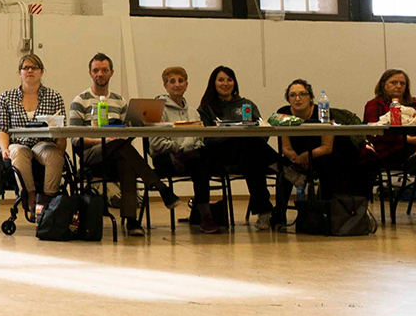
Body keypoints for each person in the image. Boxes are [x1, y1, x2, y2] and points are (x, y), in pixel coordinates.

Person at [68, 53, 177, 237]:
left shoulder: (120, 101)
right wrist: (103, 140)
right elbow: (75, 139)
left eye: (104, 70)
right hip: (91, 156)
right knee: (120, 146)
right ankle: (159, 187)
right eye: (96, 70)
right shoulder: (80, 101)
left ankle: (132, 221)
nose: (100, 74)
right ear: (90, 73)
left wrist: (132, 129)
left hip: (116, 154)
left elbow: (128, 132)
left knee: (125, 162)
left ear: (111, 73)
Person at [190, 66, 280, 232]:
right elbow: (205, 138)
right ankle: (282, 167)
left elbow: (263, 132)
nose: (226, 83)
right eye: (221, 80)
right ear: (213, 83)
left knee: (251, 156)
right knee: (245, 143)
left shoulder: (246, 104)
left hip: (246, 155)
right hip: (218, 155)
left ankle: (264, 212)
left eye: (229, 79)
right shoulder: (206, 108)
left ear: (235, 82)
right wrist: (232, 134)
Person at [361, 69, 416, 219]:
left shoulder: (415, 103)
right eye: (393, 82)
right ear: (383, 85)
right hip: (391, 150)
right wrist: (408, 139)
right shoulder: (375, 104)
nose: (398, 86)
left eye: (402, 83)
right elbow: (373, 133)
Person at [0, 54, 68, 213]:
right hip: (18, 142)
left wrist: (60, 150)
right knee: (19, 153)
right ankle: (30, 195)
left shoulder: (54, 96)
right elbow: (2, 129)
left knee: (54, 155)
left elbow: (61, 130)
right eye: (25, 68)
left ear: (41, 72)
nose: (30, 71)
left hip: (43, 143)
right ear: (19, 73)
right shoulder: (6, 97)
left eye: (34, 68)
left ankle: (48, 198)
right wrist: (4, 148)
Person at [276, 79, 358, 203]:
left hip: (321, 154)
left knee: (328, 162)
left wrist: (306, 156)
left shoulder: (323, 112)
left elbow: (327, 147)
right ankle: (279, 213)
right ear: (288, 99)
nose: (297, 99)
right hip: (297, 155)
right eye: (292, 95)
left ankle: (326, 209)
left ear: (310, 98)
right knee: (283, 167)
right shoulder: (283, 113)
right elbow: (285, 147)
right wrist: (295, 158)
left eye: (302, 94)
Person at [145, 66, 204, 199]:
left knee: (203, 162)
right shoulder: (158, 109)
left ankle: (201, 211)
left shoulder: (194, 113)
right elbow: (155, 144)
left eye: (181, 80)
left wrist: (190, 149)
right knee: (200, 163)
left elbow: (200, 139)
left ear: (186, 85)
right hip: (165, 158)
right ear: (165, 86)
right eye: (172, 81)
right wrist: (181, 148)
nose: (177, 84)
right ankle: (203, 212)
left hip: (191, 157)